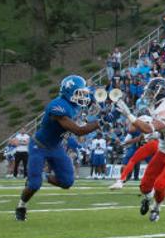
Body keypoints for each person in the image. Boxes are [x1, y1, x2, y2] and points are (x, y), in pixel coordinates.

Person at [15, 76, 103, 221]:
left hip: (56, 147)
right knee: (34, 184)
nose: (83, 97)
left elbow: (91, 95)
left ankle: (43, 176)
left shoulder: (74, 101)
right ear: (69, 93)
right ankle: (21, 206)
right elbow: (78, 130)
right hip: (39, 146)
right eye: (79, 93)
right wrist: (100, 122)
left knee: (67, 181)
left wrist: (95, 100)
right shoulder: (57, 106)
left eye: (83, 93)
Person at [114, 78, 165, 222]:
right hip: (163, 150)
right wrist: (154, 135)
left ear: (160, 92)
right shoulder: (158, 106)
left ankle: (157, 207)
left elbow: (149, 128)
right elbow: (162, 131)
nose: (148, 95)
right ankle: (148, 198)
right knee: (144, 186)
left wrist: (129, 115)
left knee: (160, 185)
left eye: (151, 92)